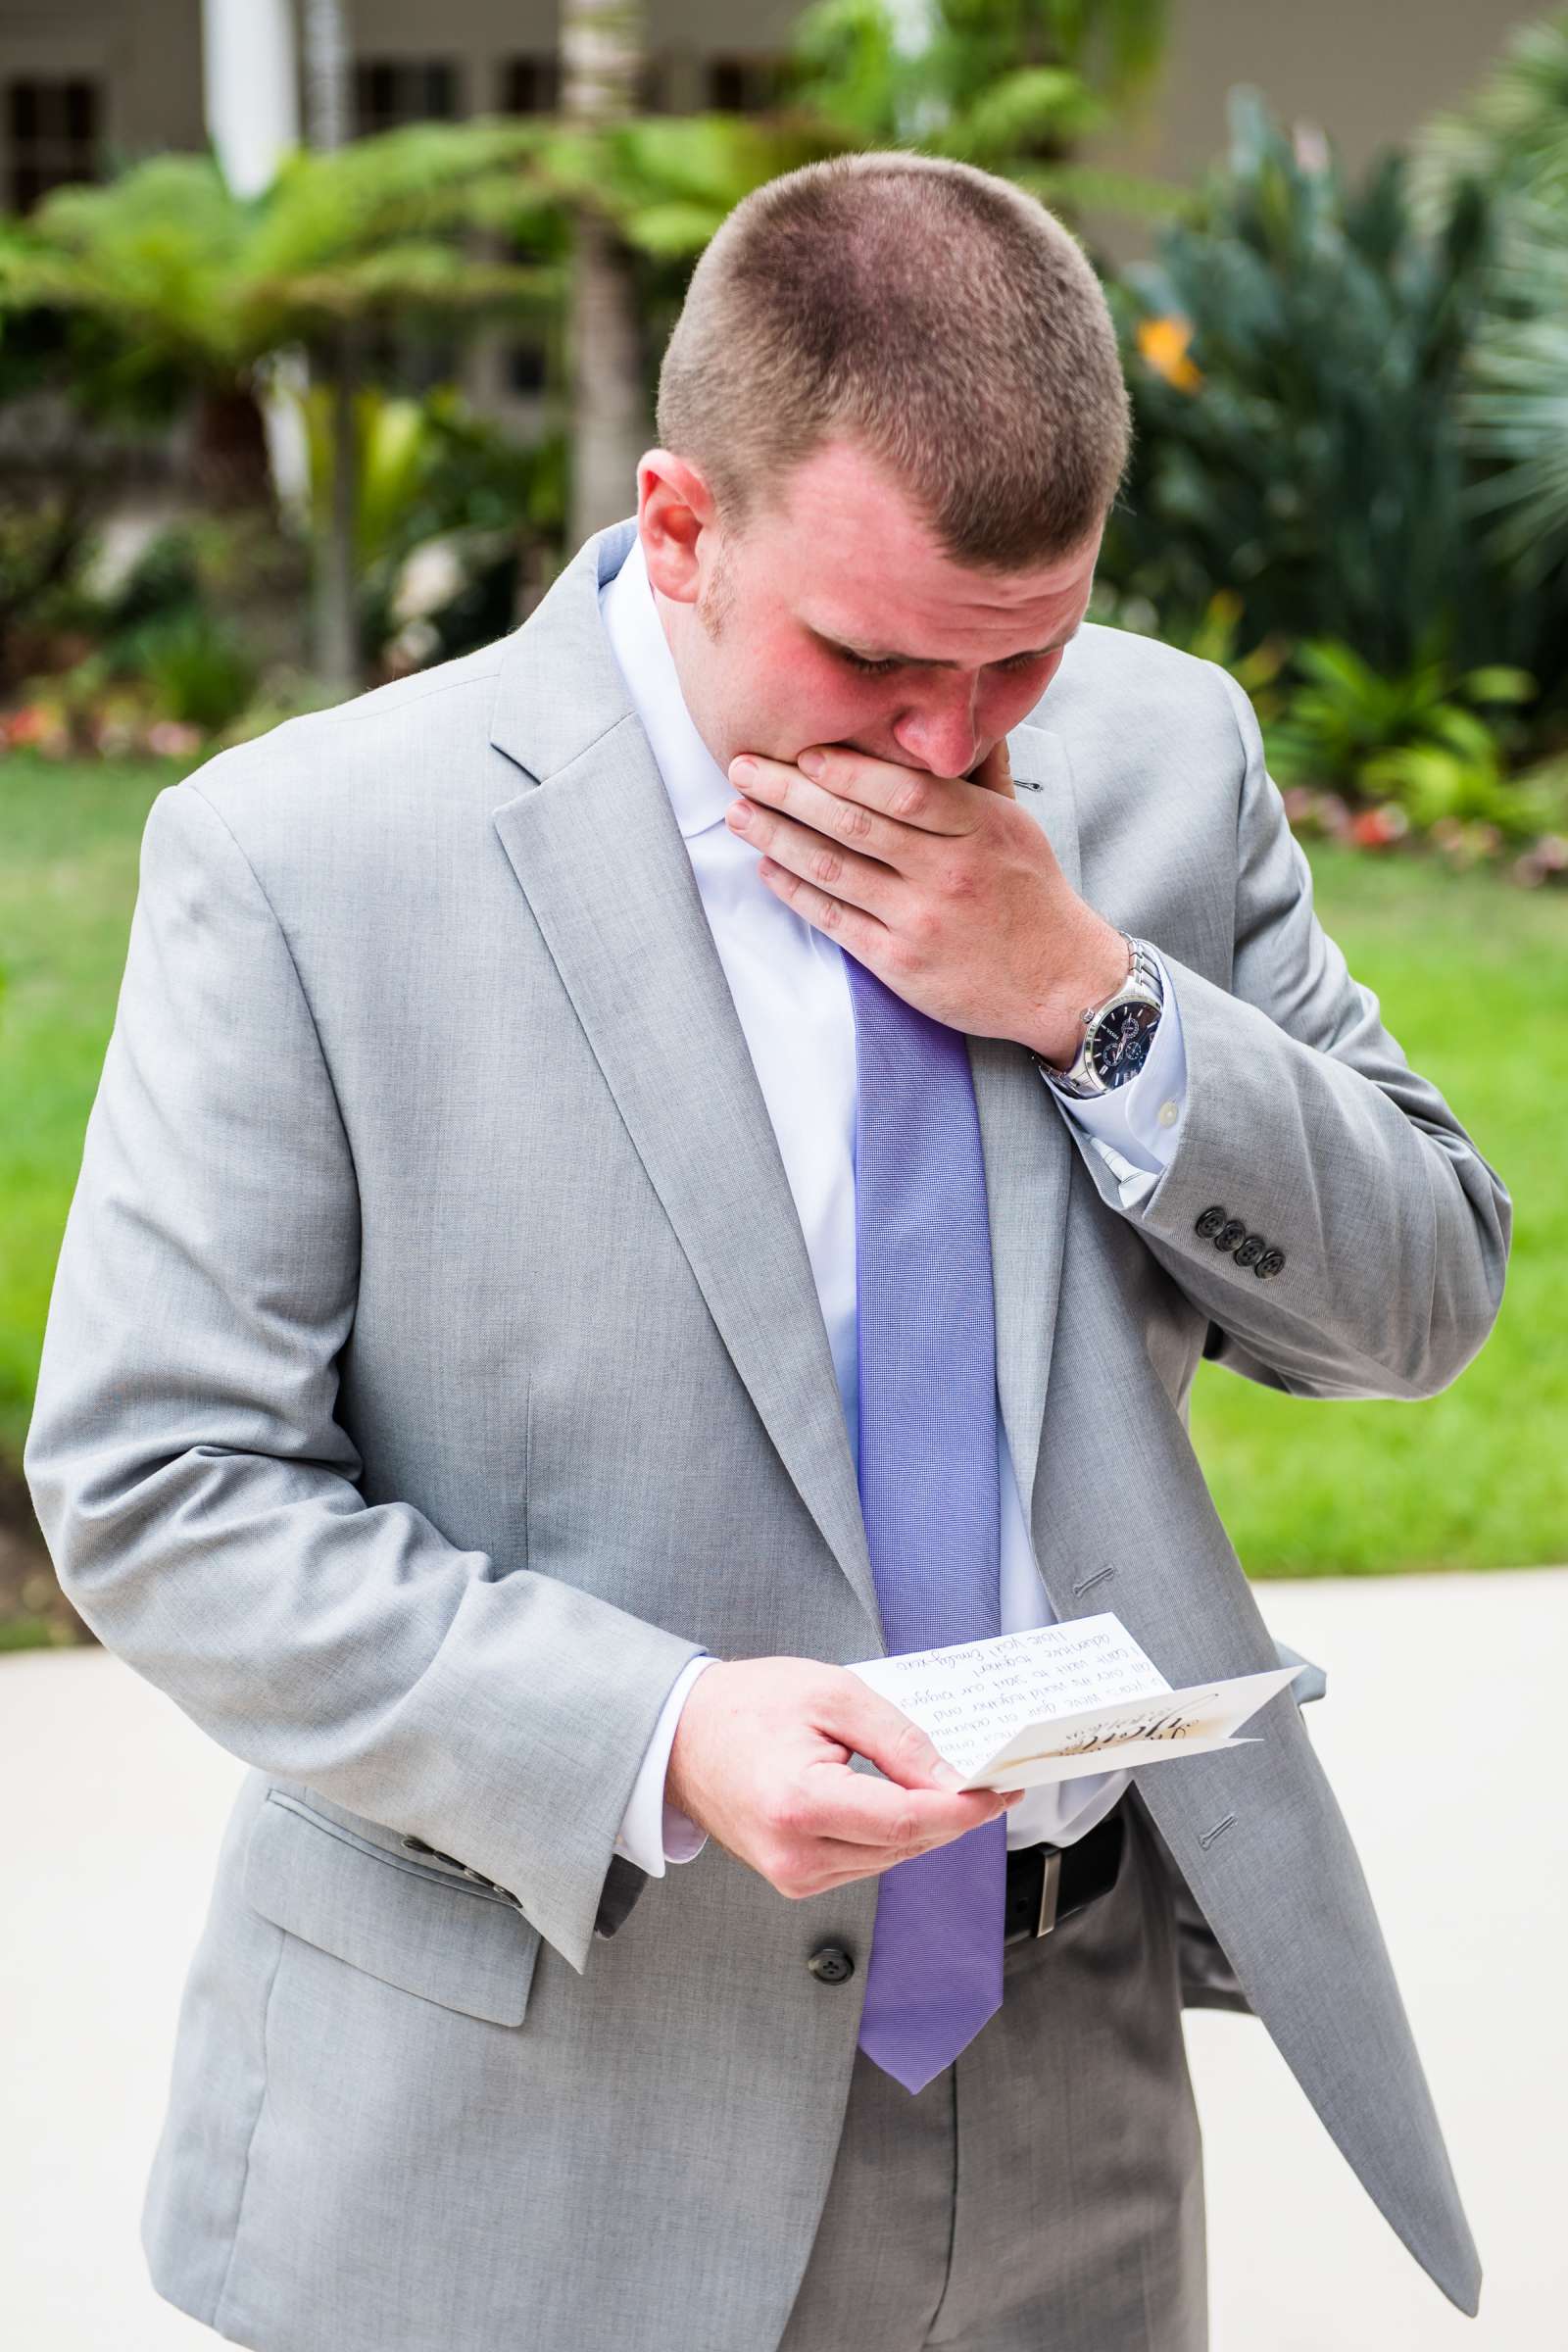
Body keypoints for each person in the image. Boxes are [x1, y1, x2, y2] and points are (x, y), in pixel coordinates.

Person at [24, 151, 1507, 2352]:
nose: (951, 741)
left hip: (1062, 2090)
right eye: (879, 658)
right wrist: (660, 1731)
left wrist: (1091, 999)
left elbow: (1421, 1298)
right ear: (683, 521)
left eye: (1021, 657)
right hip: (543, 2114)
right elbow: (161, 1492)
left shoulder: (1162, 758)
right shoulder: (308, 859)